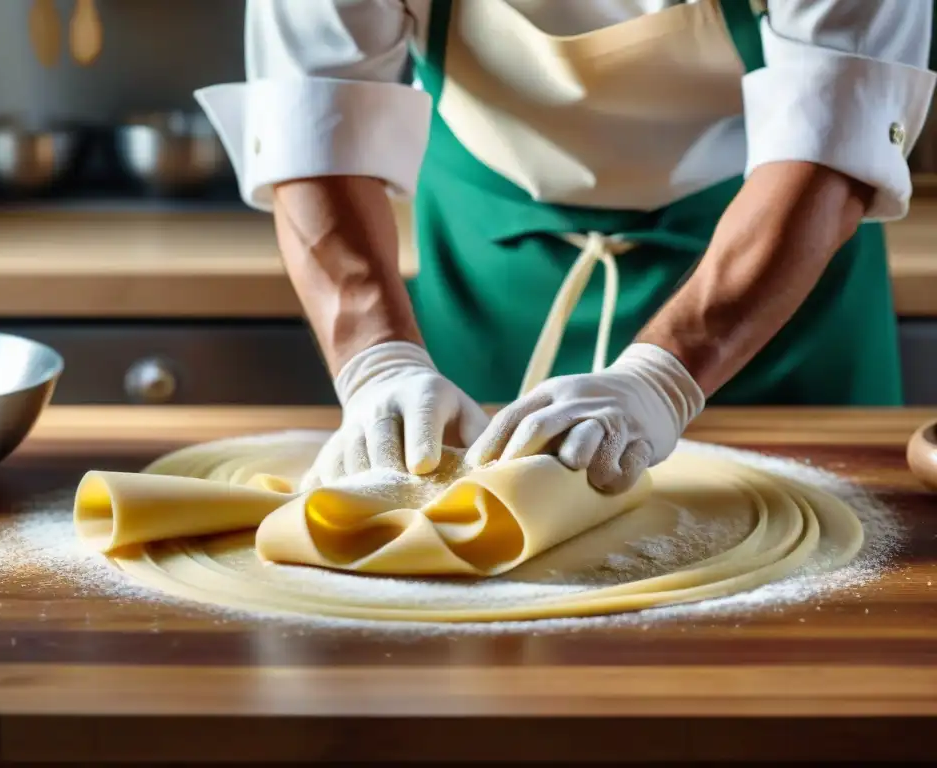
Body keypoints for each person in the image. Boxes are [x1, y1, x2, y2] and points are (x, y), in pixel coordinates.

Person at [196, 0, 935, 494]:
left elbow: (834, 138)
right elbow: (313, 114)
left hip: (775, 287)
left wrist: (662, 379)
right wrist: (380, 360)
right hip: (490, 277)